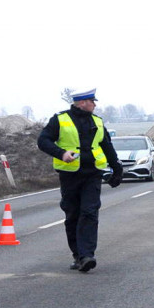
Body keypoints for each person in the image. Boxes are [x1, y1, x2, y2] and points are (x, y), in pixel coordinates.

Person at [36, 88, 123, 273]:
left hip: (92, 174)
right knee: (73, 214)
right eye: (92, 101)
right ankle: (77, 255)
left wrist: (117, 168)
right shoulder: (59, 119)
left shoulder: (98, 122)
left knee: (90, 212)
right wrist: (61, 153)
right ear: (82, 102)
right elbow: (43, 141)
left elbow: (107, 145)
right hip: (70, 175)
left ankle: (87, 255)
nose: (95, 104)